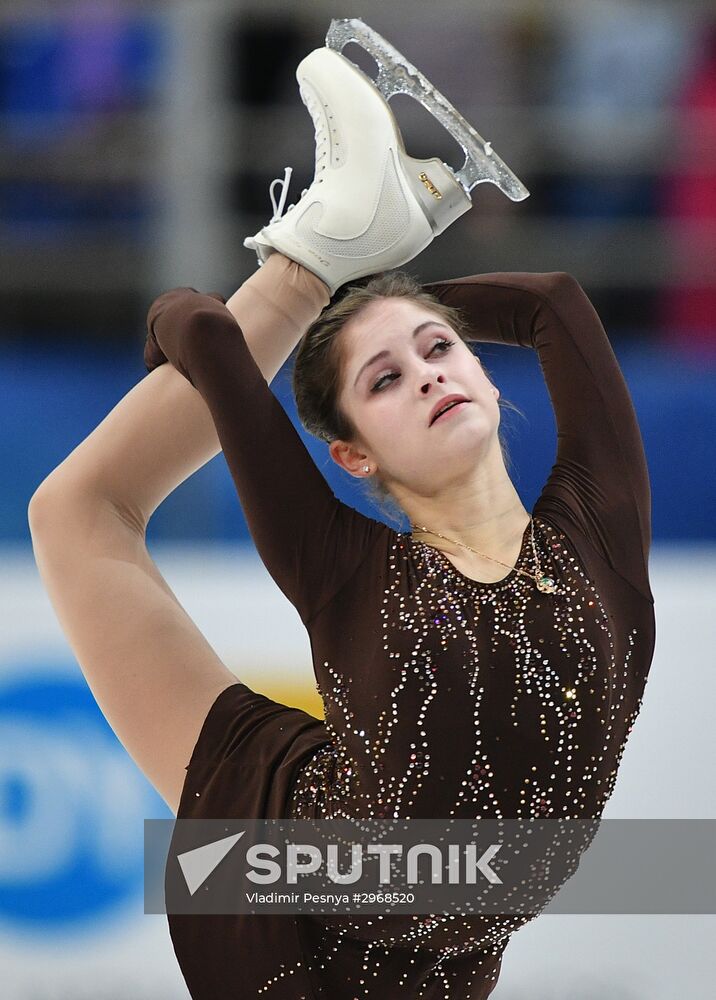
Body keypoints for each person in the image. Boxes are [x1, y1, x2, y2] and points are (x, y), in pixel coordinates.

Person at [28, 32, 655, 1000]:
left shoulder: (595, 530)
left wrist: (381, 304)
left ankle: (340, 246)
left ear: (484, 375)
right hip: (313, 875)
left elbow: (551, 304)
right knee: (75, 511)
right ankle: (321, 250)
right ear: (350, 453)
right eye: (386, 380)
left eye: (440, 350)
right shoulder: (348, 570)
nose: (429, 373)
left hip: (311, 888)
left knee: (73, 510)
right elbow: (203, 336)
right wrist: (218, 314)